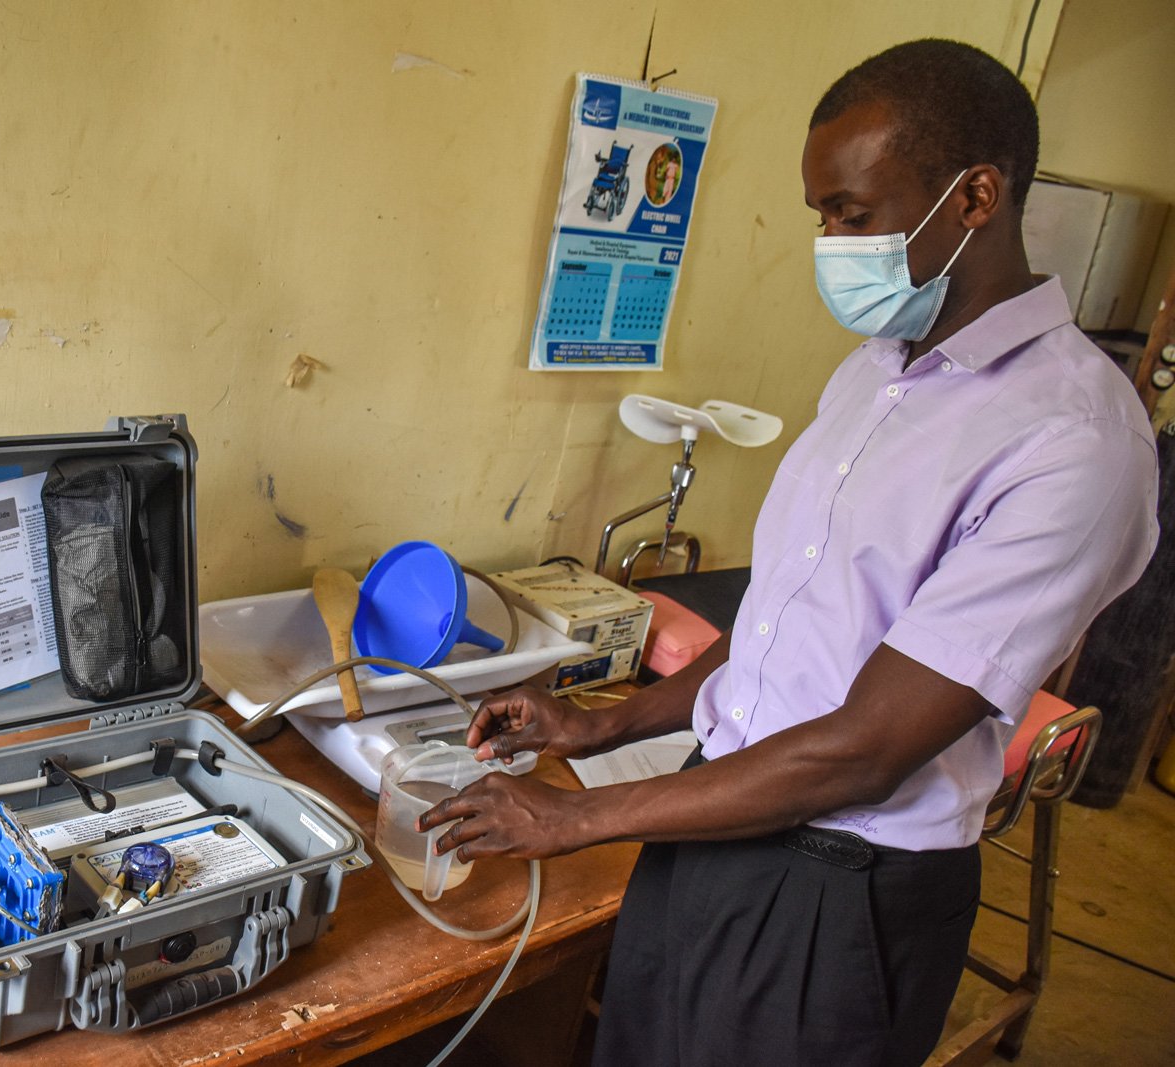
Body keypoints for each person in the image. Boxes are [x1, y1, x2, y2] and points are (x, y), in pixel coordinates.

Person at [419, 38, 1159, 1067]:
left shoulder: (1073, 440)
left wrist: (573, 819)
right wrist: (599, 723)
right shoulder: (876, 373)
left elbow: (865, 745)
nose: (829, 244)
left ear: (975, 197)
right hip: (714, 823)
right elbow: (783, 632)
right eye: (821, 215)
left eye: (851, 213)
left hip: (837, 891)